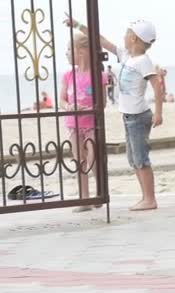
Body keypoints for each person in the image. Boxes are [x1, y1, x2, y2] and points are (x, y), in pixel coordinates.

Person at [65, 15, 164, 211]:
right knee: (134, 159)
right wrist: (77, 25)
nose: (123, 37)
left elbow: (157, 85)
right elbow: (101, 40)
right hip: (128, 117)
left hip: (138, 117)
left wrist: (159, 112)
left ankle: (150, 199)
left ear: (134, 38)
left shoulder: (143, 61)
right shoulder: (126, 56)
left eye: (126, 33)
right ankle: (145, 197)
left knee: (141, 158)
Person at [60, 32, 108, 212]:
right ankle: (84, 198)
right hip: (73, 124)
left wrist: (87, 110)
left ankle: (99, 194)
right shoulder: (67, 75)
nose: (66, 53)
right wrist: (69, 106)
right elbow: (62, 100)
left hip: (91, 124)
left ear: (82, 51)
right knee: (79, 161)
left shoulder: (98, 75)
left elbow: (102, 103)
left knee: (93, 159)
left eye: (69, 49)